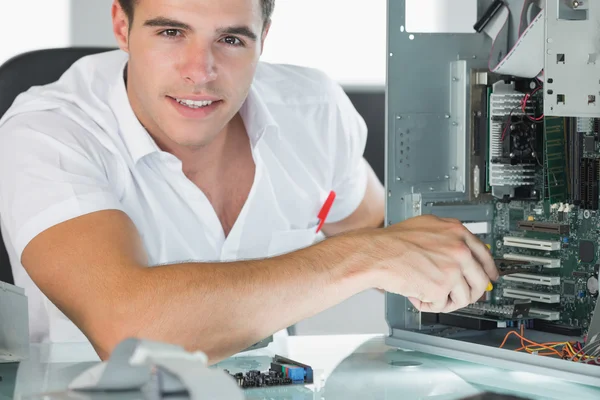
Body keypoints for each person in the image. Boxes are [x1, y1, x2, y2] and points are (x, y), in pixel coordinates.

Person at [0, 0, 498, 363]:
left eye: (231, 38)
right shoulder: (48, 132)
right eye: (171, 32)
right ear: (121, 26)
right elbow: (128, 330)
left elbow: (381, 231)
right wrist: (364, 258)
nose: (201, 71)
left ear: (265, 36)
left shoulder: (314, 112)